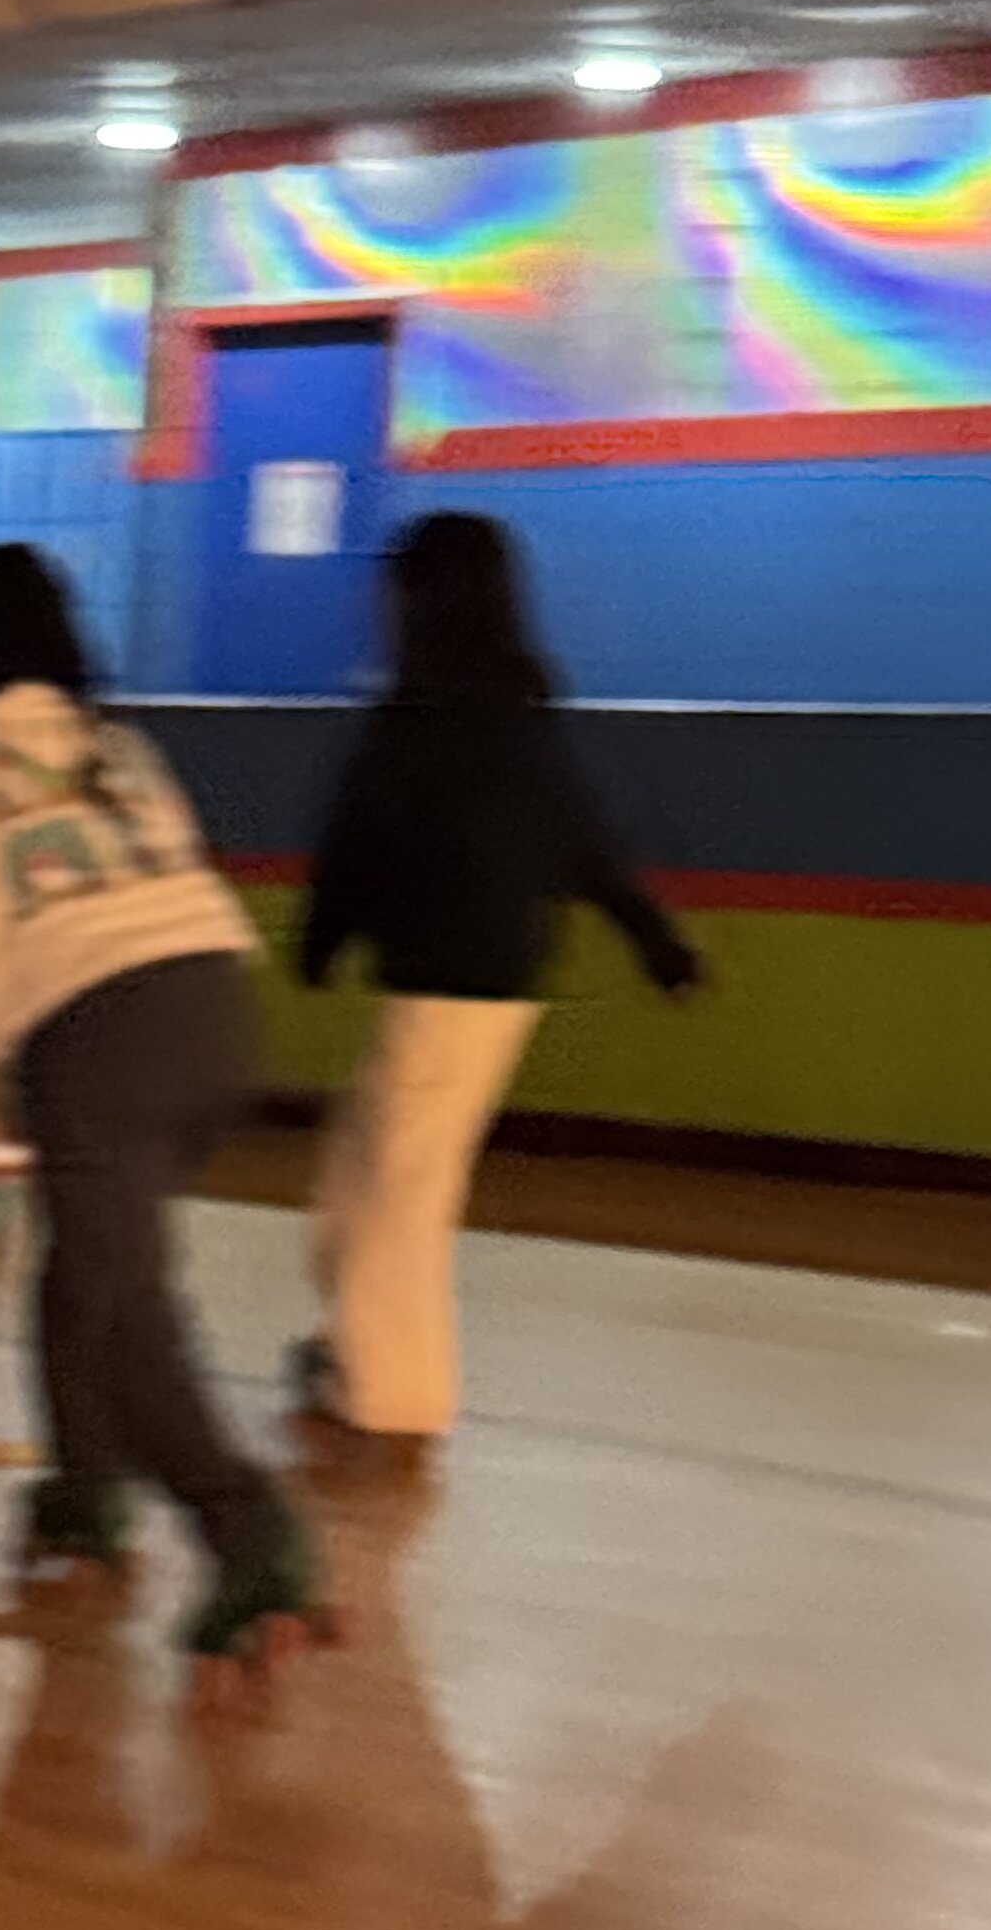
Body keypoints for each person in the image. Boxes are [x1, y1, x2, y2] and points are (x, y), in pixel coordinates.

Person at [0, 540, 322, 1679]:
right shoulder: (118, 750)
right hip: (216, 1014)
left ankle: (252, 1539)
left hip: (98, 1043)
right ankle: (84, 1498)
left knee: (126, 1307)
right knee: (88, 1277)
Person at [295, 508, 703, 1447]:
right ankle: (350, 1343)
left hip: (442, 989)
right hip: (493, 983)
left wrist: (322, 939)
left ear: (422, 601)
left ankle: (394, 1393)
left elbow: (355, 842)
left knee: (400, 1194)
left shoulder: (418, 719)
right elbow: (588, 842)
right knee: (365, 1168)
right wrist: (659, 944)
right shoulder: (520, 716)